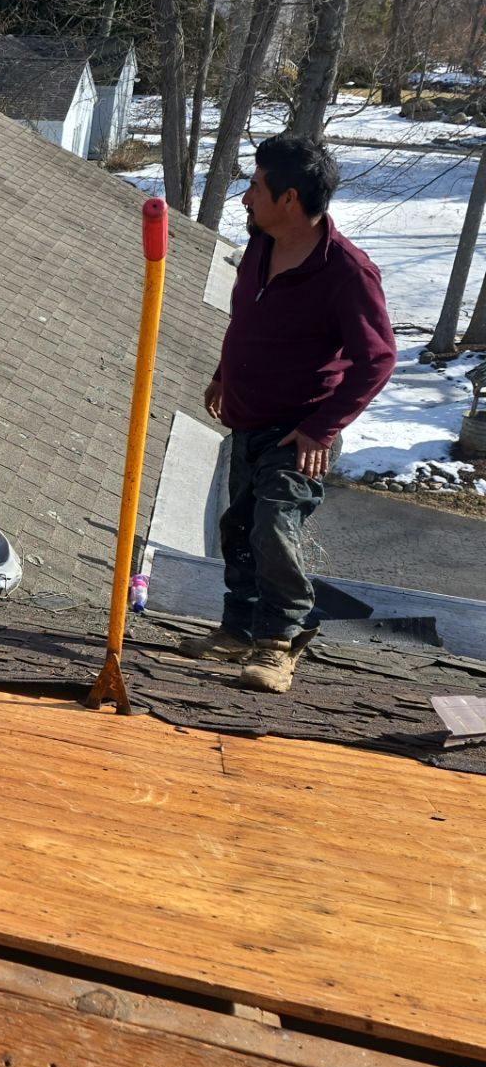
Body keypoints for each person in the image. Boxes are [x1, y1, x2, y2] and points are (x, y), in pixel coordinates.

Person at [183, 133, 396, 694]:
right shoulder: (261, 242)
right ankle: (237, 631)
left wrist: (321, 428)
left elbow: (377, 359)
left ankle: (280, 642)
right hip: (248, 418)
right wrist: (223, 373)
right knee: (239, 528)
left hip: (301, 431)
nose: (245, 196)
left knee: (275, 525)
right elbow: (247, 317)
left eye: (255, 185)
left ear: (291, 198)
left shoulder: (348, 272)